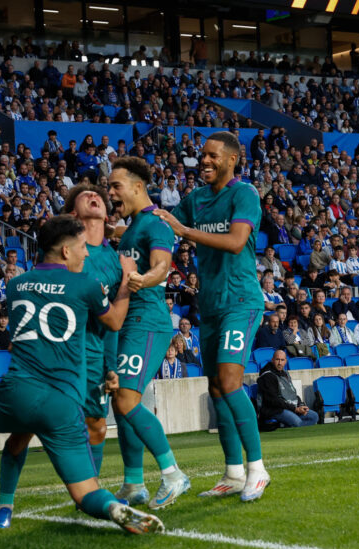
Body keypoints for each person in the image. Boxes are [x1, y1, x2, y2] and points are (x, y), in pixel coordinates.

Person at [0, 215, 164, 535]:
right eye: (82, 248)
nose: (86, 254)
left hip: (17, 392)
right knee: (85, 492)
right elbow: (114, 322)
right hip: (62, 403)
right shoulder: (86, 285)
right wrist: (127, 283)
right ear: (64, 252)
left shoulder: (16, 285)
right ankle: (113, 507)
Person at [154, 131, 269, 501]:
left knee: (231, 381)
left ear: (231, 159)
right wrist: (115, 230)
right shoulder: (197, 199)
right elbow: (162, 227)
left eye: (211, 156)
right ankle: (233, 472)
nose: (203, 161)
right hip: (211, 305)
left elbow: (236, 241)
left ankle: (258, 469)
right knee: (216, 386)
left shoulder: (244, 194)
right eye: (201, 155)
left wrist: (186, 231)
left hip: (241, 301)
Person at [107, 157, 189, 509]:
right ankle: (133, 483)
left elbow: (161, 266)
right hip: (128, 321)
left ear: (138, 186)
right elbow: (118, 234)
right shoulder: (136, 224)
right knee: (122, 400)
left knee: (125, 399)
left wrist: (145, 278)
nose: (110, 193)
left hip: (148, 321)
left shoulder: (155, 224)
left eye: (115, 186)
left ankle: (173, 474)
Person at [257, 350, 318, 428]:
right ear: (272, 360)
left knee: (314, 416)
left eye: (282, 360)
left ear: (286, 361)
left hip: (289, 407)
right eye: (277, 359)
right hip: (274, 410)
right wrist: (295, 409)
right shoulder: (267, 376)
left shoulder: (285, 374)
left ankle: (287, 426)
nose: (279, 363)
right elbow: (273, 400)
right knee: (297, 423)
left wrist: (300, 405)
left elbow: (292, 393)